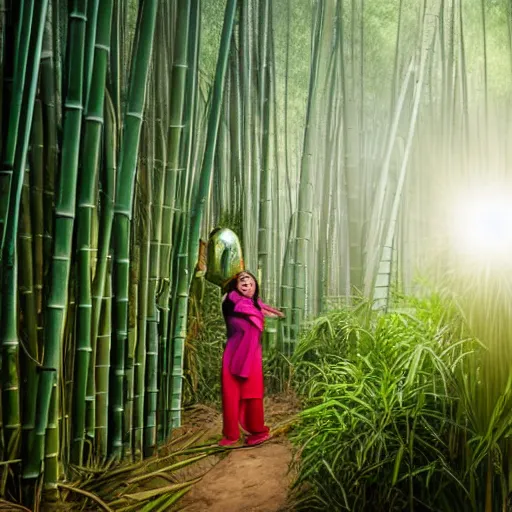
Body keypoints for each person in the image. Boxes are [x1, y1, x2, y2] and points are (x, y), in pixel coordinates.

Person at [219, 271, 284, 447]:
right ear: (236, 285)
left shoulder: (256, 304)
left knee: (253, 393)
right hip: (235, 353)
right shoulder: (231, 299)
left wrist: (273, 314)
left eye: (250, 280)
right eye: (242, 280)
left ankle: (256, 431)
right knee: (231, 394)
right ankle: (231, 434)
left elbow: (268, 311)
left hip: (252, 355)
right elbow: (241, 307)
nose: (246, 282)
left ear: (255, 286)